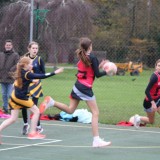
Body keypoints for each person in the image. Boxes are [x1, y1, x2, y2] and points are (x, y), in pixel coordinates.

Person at [39, 37, 112, 148]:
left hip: (78, 86)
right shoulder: (92, 57)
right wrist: (107, 72)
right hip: (85, 88)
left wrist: (100, 66)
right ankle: (96, 140)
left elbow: (90, 69)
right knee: (95, 113)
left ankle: (52, 102)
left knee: (70, 110)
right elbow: (97, 74)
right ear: (90, 46)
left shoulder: (81, 56)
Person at [0, 56, 63, 144]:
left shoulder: (21, 71)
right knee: (36, 111)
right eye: (30, 64)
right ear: (25, 65)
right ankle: (32, 133)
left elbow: (23, 81)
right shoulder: (27, 74)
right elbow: (42, 76)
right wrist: (55, 72)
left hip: (14, 96)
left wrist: (32, 81)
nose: (32, 65)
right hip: (20, 98)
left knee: (13, 118)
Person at [21, 41, 45, 135]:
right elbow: (20, 71)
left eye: (36, 48)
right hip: (26, 85)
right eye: (33, 48)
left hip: (36, 86)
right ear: (29, 49)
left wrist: (37, 77)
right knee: (23, 105)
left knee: (34, 106)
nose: (35, 50)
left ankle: (37, 126)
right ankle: (26, 124)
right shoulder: (24, 59)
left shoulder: (39, 59)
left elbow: (43, 72)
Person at [133, 59, 160, 128]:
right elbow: (147, 91)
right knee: (151, 121)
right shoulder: (154, 77)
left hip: (158, 99)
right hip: (149, 102)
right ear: (156, 67)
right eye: (159, 66)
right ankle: (138, 118)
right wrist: (153, 103)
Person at [0, 39, 19, 113]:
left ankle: (12, 107)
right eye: (7, 45)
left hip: (10, 78)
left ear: (12, 46)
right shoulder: (1, 55)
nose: (8, 46)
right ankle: (5, 108)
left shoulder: (15, 55)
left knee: (9, 94)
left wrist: (11, 70)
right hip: (2, 78)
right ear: (5, 46)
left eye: (9, 45)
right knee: (4, 94)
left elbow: (17, 64)